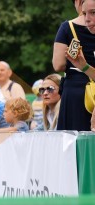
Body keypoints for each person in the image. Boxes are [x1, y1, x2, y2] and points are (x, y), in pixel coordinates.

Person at [57, 0, 95, 130]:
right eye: (84, 14)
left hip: (75, 91)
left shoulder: (68, 27)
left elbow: (58, 64)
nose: (87, 20)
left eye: (93, 13)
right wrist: (84, 66)